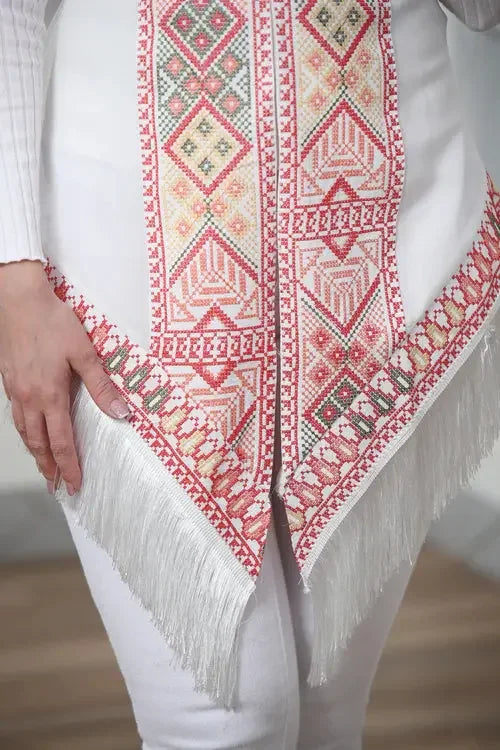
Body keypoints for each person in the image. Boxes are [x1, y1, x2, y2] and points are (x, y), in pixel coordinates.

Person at [1, 1, 499, 748]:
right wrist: (13, 271)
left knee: (328, 716)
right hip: (127, 276)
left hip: (377, 257)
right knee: (227, 726)